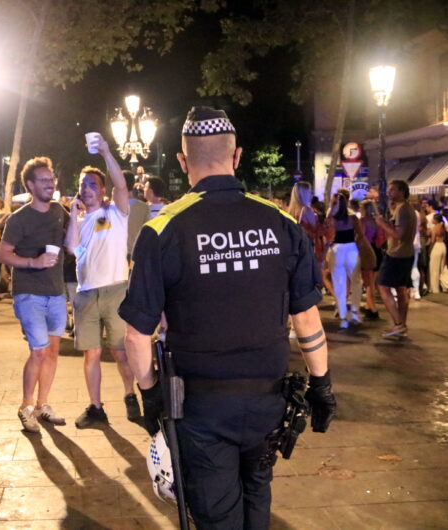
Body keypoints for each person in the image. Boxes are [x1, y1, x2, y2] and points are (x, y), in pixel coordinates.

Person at [119, 107, 335, 529]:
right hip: (268, 401)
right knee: (258, 496)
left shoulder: (162, 230)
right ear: (237, 157)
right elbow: (308, 318)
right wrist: (322, 386)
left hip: (201, 407)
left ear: (183, 163)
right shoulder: (279, 222)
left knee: (217, 517)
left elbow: (135, 334)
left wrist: (151, 396)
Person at [65, 133, 141, 428]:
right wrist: (73, 214)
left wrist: (106, 152)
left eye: (92, 184)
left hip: (115, 291)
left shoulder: (116, 212)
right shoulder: (81, 221)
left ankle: (129, 394)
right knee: (91, 354)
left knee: (121, 352)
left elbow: (122, 184)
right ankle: (96, 408)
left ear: (103, 189)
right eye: (83, 184)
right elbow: (73, 249)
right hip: (86, 294)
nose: (86, 189)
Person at [0, 156, 69, 432]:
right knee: (38, 351)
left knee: (52, 351)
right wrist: (33, 262)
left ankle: (42, 405)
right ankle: (26, 407)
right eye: (43, 180)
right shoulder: (19, 219)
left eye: (51, 180)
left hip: (55, 291)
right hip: (29, 293)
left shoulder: (59, 212)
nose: (49, 184)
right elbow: (3, 254)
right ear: (30, 185)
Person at [375, 180, 418, 338]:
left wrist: (381, 224)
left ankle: (399, 323)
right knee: (401, 289)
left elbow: (398, 235)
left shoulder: (402, 209)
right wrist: (388, 223)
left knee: (383, 286)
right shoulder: (407, 209)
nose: (389, 192)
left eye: (393, 190)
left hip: (397, 254)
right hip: (406, 253)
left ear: (402, 191)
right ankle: (401, 325)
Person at [327, 191, 364, 329]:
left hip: (336, 249)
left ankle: (342, 314)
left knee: (339, 282)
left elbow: (327, 235)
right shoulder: (353, 218)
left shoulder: (331, 219)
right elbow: (361, 235)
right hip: (351, 249)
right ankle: (354, 312)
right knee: (356, 282)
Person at [360, 200, 385, 319]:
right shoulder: (378, 221)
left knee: (368, 283)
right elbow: (382, 239)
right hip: (378, 251)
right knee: (372, 282)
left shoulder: (363, 221)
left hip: (367, 251)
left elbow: (360, 237)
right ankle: (368, 306)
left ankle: (373, 308)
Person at [123, 170, 151, 260]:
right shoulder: (144, 207)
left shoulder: (112, 207)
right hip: (137, 254)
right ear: (134, 184)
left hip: (117, 255)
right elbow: (147, 234)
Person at [428, 213, 448, 293]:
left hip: (437, 246)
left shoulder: (435, 228)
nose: (432, 220)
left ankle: (435, 289)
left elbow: (432, 241)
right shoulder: (443, 227)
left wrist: (429, 250)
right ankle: (445, 285)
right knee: (442, 268)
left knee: (434, 269)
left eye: (433, 219)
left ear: (435, 220)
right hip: (443, 246)